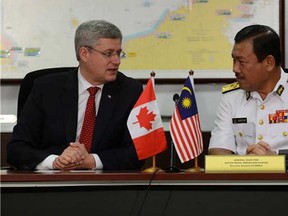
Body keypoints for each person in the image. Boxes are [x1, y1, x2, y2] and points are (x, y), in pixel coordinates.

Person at [7, 20, 144, 170]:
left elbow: (138, 152)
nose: (116, 61)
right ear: (84, 54)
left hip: (105, 186)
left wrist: (92, 161)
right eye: (108, 54)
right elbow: (16, 149)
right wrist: (54, 161)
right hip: (51, 184)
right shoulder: (46, 89)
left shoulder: (130, 91)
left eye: (118, 53)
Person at [208, 24, 288, 155]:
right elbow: (218, 150)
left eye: (242, 62)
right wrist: (247, 162)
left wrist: (277, 159)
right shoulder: (231, 98)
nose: (235, 69)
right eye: (233, 60)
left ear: (269, 63)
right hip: (243, 174)